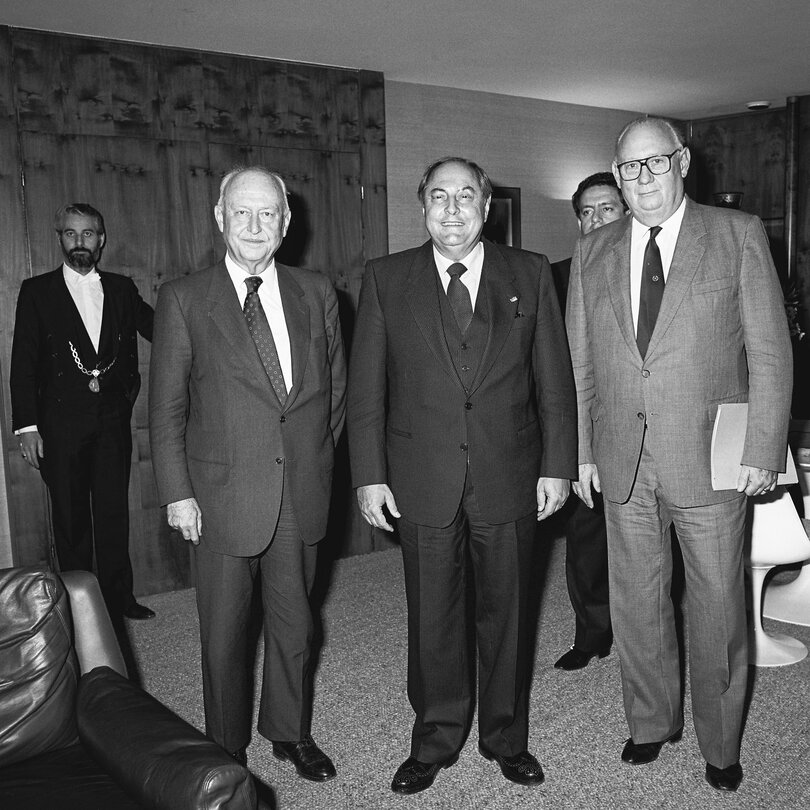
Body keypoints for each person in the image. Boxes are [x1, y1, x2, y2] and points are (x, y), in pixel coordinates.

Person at [566, 117, 792, 792]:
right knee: (636, 603)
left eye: (655, 164)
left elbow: (771, 351)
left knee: (719, 607)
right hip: (622, 457)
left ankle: (720, 743)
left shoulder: (737, 234)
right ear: (617, 170)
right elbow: (580, 362)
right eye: (630, 168)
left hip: (712, 459)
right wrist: (582, 451)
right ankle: (649, 723)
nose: (643, 180)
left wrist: (763, 448)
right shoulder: (593, 250)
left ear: (682, 162)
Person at [348, 157, 577, 794]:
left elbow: (554, 383)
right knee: (433, 617)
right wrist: (369, 474)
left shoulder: (528, 273)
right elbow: (367, 391)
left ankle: (506, 737)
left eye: (466, 196)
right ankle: (436, 737)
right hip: (421, 476)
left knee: (508, 615)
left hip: (511, 474)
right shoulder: (387, 277)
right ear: (422, 204)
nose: (453, 210)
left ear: (487, 204)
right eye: (440, 197)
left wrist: (557, 465)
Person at [148, 167, 346, 779]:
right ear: (219, 217)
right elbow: (167, 409)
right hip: (219, 497)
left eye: (268, 214)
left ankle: (289, 731)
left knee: (296, 626)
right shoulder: (183, 298)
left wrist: (313, 464)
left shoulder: (317, 293)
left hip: (299, 491)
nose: (256, 226)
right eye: (243, 213)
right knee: (224, 636)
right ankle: (226, 743)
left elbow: (333, 397)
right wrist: (178, 493)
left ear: (287, 222)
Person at [10, 203, 154, 622]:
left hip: (112, 420)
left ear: (101, 239)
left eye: (88, 234)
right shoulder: (37, 291)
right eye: (71, 234)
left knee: (112, 512)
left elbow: (162, 328)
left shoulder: (123, 289)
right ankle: (78, 607)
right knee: (70, 519)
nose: (79, 243)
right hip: (58, 425)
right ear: (61, 238)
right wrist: (27, 427)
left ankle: (119, 599)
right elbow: (23, 363)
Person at [550, 173, 627, 671]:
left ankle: (649, 635)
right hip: (583, 431)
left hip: (645, 431)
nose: (596, 220)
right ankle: (593, 633)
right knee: (586, 542)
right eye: (586, 212)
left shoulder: (653, 267)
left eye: (607, 209)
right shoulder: (554, 275)